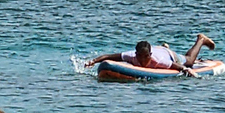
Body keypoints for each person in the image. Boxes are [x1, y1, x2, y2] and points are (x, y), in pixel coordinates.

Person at [85, 33, 216, 77]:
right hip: (157, 50)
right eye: (140, 57)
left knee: (189, 61)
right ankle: (163, 46)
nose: (142, 60)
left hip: (168, 56)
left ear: (150, 55)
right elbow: (108, 57)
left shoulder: (157, 61)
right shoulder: (131, 56)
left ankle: (200, 39)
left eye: (145, 57)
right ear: (136, 54)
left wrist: (187, 70)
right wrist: (93, 61)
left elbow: (179, 67)